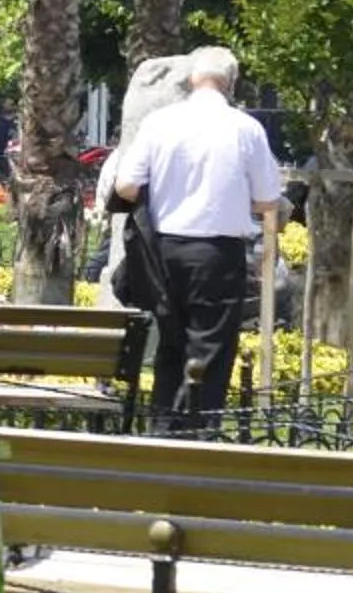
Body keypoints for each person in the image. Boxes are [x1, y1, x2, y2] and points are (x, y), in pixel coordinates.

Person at [105, 46, 282, 433]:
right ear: (231, 83)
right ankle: (198, 434)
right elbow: (268, 198)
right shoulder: (246, 128)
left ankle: (162, 431)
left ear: (191, 80)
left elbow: (127, 186)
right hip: (218, 253)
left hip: (164, 251)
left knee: (170, 344)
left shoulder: (159, 123)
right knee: (211, 350)